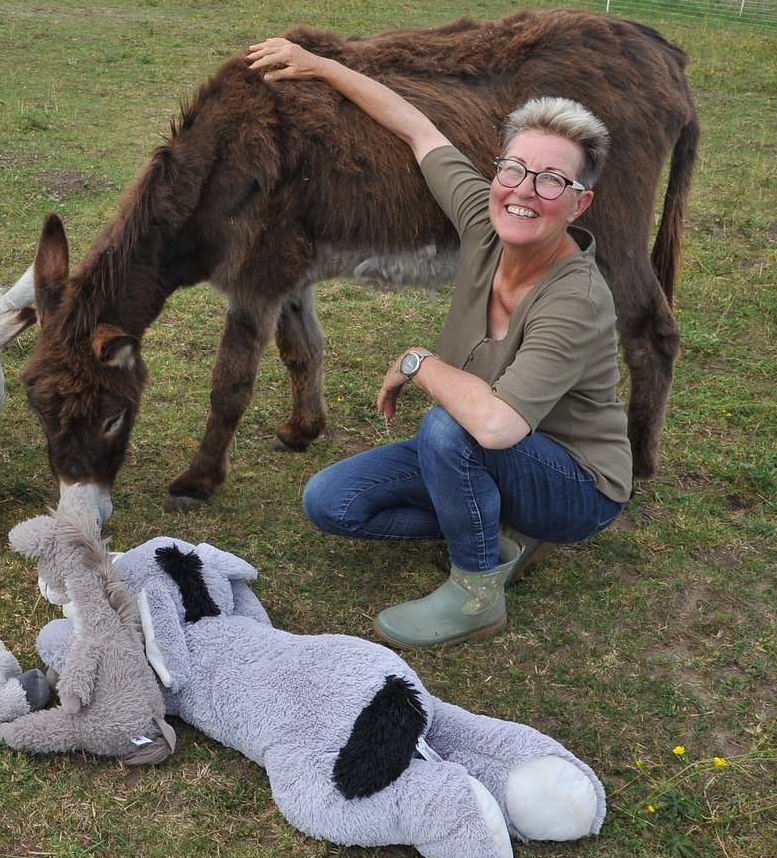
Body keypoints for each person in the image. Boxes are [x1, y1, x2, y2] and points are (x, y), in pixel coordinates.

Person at [245, 36, 632, 649]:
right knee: (332, 502)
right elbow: (418, 129)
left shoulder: (576, 299)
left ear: (580, 203)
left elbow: (499, 427)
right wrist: (320, 66)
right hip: (493, 452)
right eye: (514, 169)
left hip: (573, 484)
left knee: (450, 427)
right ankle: (498, 530)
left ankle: (478, 592)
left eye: (552, 181)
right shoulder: (485, 220)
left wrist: (417, 362)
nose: (524, 190)